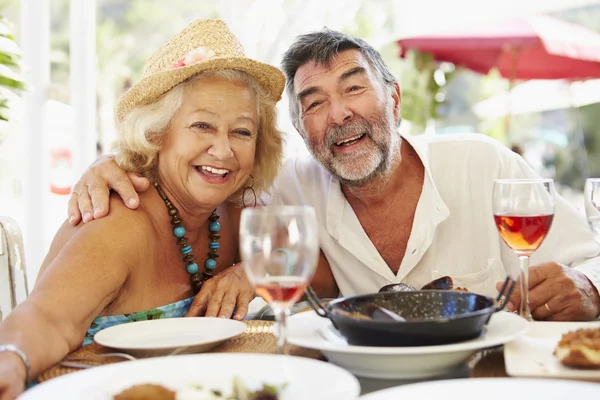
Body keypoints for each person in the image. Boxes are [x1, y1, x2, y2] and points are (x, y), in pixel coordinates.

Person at [67, 29, 600, 323]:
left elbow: (592, 256)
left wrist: (589, 286)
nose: (339, 113)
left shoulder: (485, 165)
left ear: (393, 99)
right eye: (314, 102)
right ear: (300, 131)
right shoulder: (287, 188)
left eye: (353, 88)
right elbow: (203, 175)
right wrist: (110, 163)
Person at [0, 19, 284, 397]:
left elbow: (296, 256)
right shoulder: (120, 219)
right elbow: (47, 319)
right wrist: (11, 358)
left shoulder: (236, 212)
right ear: (157, 133)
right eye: (202, 126)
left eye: (242, 131)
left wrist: (250, 271)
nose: (223, 150)